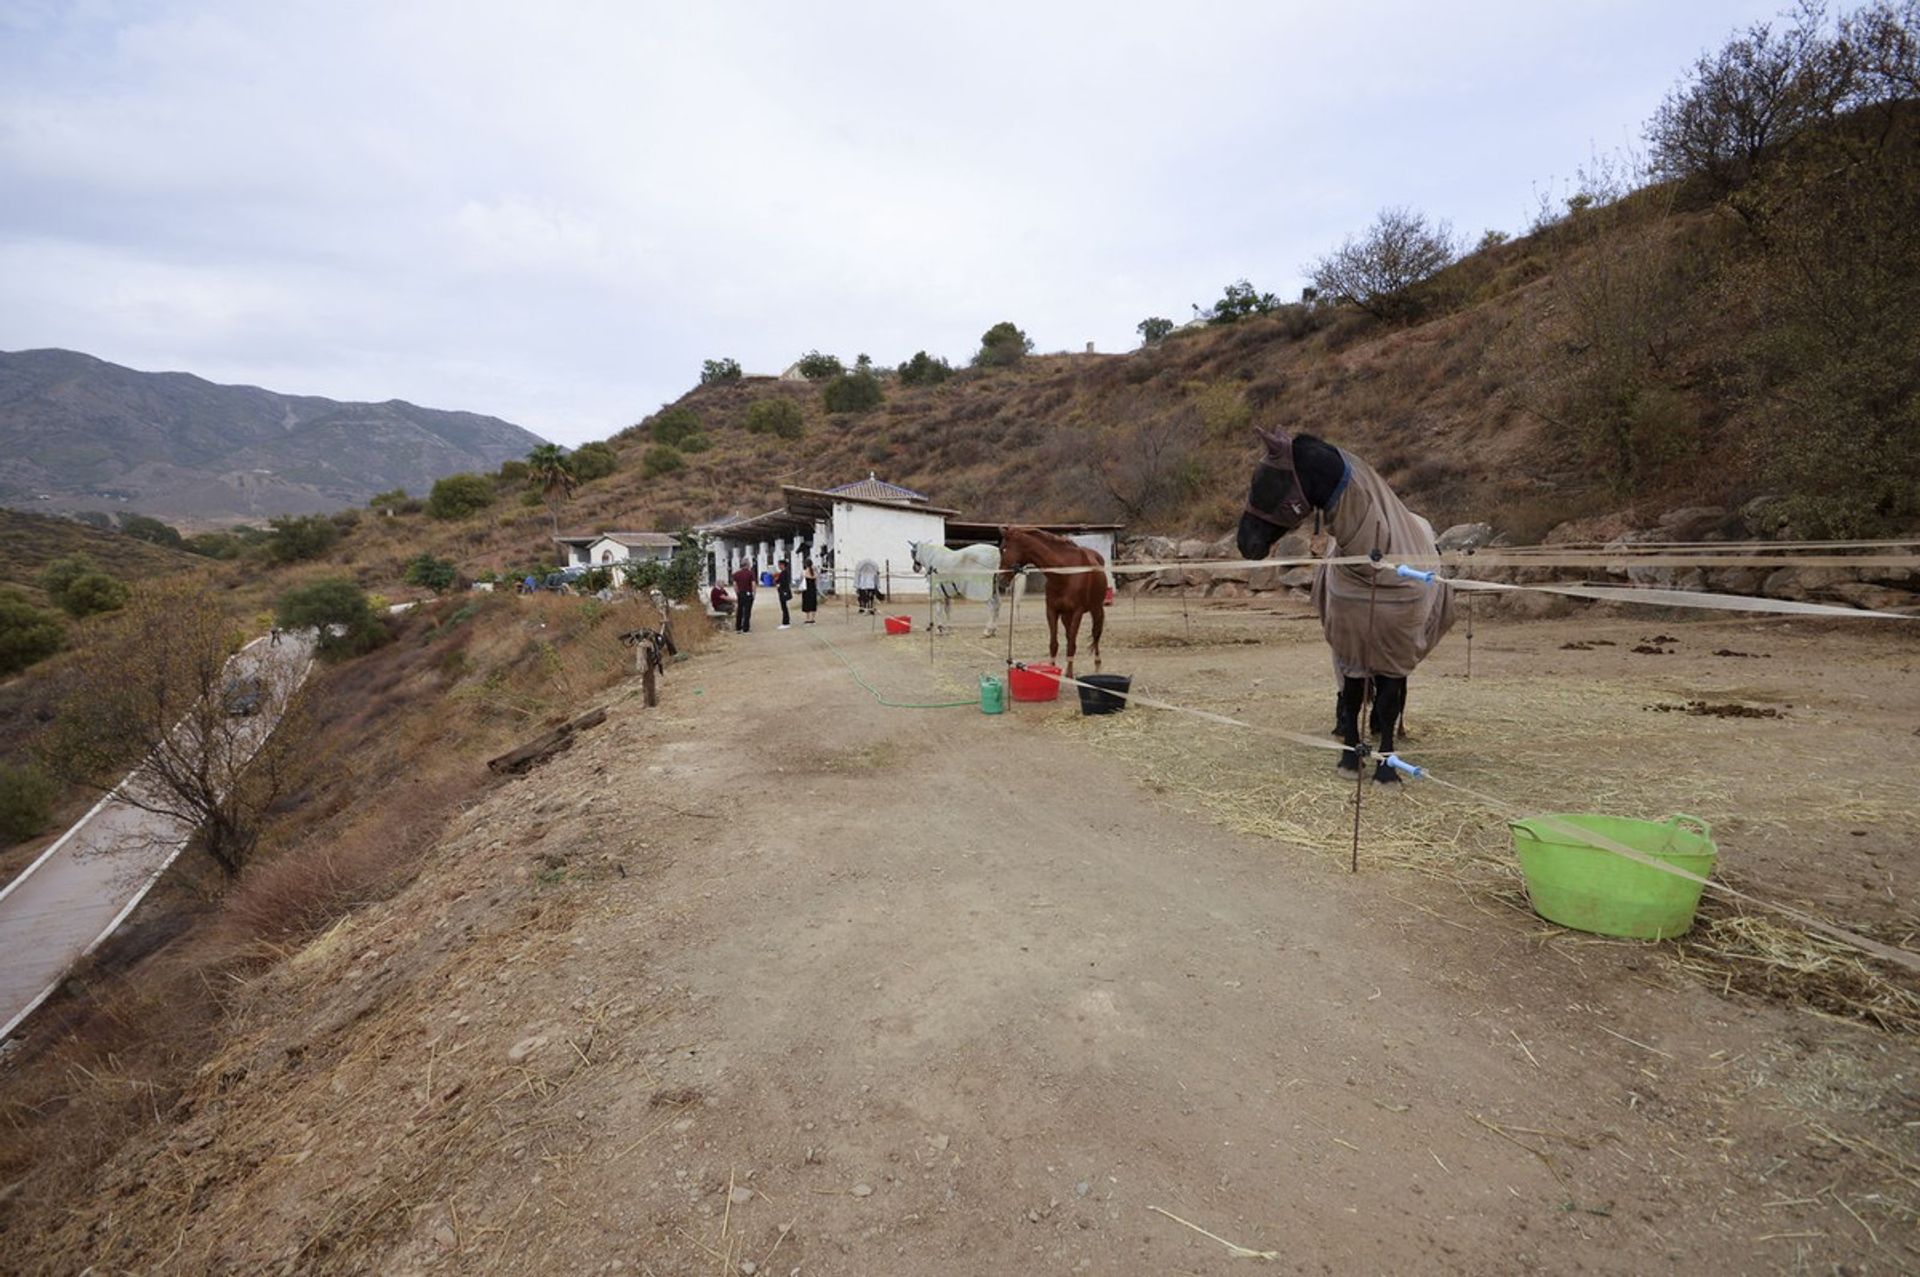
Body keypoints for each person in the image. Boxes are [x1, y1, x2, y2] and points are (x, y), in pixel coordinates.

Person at [731, 560, 756, 633]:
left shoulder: (736, 574)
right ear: (747, 565)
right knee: (747, 611)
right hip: (748, 593)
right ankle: (746, 628)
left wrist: (737, 593)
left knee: (740, 610)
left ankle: (738, 627)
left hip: (740, 593)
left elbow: (735, 585)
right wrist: (754, 593)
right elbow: (753, 584)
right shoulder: (750, 573)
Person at [775, 560, 793, 629]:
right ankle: (786, 621)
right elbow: (778, 581)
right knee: (783, 607)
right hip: (782, 591)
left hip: (783, 592)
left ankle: (786, 622)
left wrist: (780, 586)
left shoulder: (784, 573)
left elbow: (784, 583)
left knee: (784, 607)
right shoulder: (782, 573)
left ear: (783, 565)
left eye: (779, 565)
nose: (779, 566)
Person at [801, 557, 819, 624]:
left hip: (806, 590)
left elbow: (801, 579)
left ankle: (807, 618)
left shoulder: (804, 572)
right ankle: (812, 618)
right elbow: (816, 579)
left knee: (807, 604)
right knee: (813, 603)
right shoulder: (814, 572)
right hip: (813, 589)